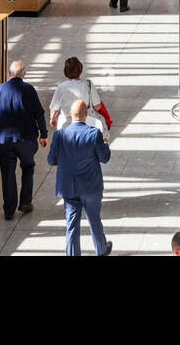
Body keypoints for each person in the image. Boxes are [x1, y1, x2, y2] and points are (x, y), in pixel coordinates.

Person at [0, 61, 48, 221]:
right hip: (26, 139)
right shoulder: (29, 90)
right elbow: (39, 113)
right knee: (28, 167)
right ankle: (25, 202)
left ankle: (9, 209)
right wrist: (43, 134)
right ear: (24, 74)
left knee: (7, 174)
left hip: (4, 140)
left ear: (9, 74)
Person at [47, 99, 112, 255]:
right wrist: (105, 144)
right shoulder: (94, 133)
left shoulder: (59, 135)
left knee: (71, 224)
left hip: (68, 186)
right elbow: (104, 158)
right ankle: (101, 249)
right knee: (94, 219)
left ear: (70, 114)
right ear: (86, 114)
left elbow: (51, 160)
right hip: (90, 186)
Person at [49, 57, 108, 134]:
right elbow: (97, 106)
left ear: (65, 71)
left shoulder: (61, 87)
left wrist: (53, 118)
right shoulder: (88, 84)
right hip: (86, 124)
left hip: (65, 126)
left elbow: (54, 109)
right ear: (80, 69)